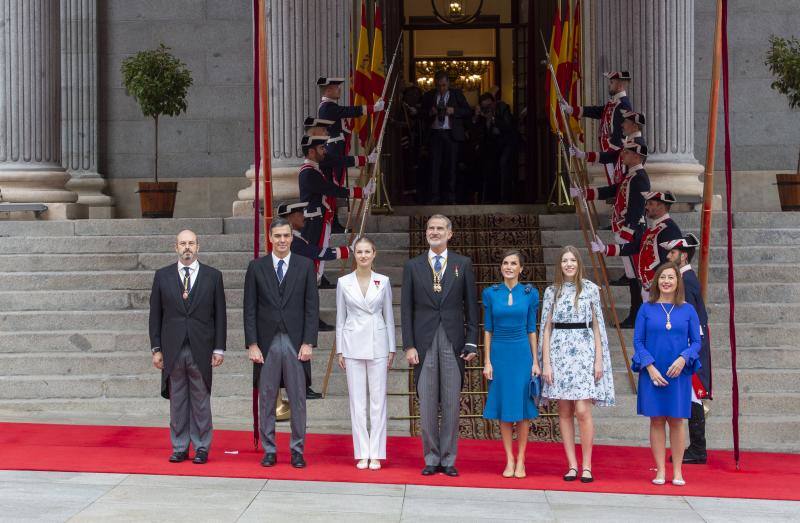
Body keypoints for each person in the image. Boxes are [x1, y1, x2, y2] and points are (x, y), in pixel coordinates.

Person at [401, 214, 479, 477]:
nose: (434, 232)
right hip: (423, 343)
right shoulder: (413, 266)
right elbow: (406, 310)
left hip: (453, 341)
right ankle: (431, 457)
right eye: (430, 228)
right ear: (426, 233)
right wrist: (408, 345)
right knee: (426, 403)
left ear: (450, 233)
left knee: (451, 404)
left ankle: (448, 458)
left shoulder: (462, 264)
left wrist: (471, 341)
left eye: (439, 229)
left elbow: (471, 305)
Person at [244, 218, 319, 469]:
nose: (282, 240)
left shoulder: (306, 265)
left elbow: (312, 307)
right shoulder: (256, 267)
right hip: (266, 344)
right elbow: (249, 309)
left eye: (286, 235)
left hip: (296, 341)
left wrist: (309, 341)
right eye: (277, 236)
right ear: (270, 237)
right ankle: (270, 449)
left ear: (292, 237)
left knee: (298, 398)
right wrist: (252, 344)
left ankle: (297, 450)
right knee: (266, 398)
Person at [148, 229, 227, 464]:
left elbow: (220, 315)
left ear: (198, 247)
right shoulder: (162, 276)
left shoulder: (213, 276)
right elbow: (155, 316)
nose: (187, 247)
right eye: (182, 243)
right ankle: (180, 446)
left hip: (201, 348)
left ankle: (202, 446)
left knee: (201, 400)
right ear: (176, 247)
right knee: (178, 400)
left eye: (191, 243)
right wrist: (156, 348)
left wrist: (219, 348)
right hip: (172, 349)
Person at [539, 246, 615, 483]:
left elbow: (597, 326)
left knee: (582, 410)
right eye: (564, 260)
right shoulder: (553, 291)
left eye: (572, 260)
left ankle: (587, 465)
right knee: (564, 411)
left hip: (584, 353)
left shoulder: (591, 289)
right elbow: (546, 327)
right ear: (559, 265)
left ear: (579, 263)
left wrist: (599, 360)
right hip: (559, 353)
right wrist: (547, 364)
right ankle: (572, 464)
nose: (569, 264)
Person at [632, 262, 702, 486]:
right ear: (657, 281)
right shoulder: (646, 308)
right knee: (656, 420)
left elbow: (697, 342)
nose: (666, 281)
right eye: (663, 277)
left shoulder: (688, 310)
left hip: (678, 372)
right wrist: (649, 367)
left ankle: (678, 471)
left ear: (677, 282)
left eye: (671, 277)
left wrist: (684, 359)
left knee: (677, 420)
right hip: (653, 372)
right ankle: (661, 470)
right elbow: (638, 342)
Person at [277, 199, 350, 398]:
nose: (303, 216)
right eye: (299, 214)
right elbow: (318, 253)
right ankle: (299, 386)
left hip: (300, 295)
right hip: (296, 300)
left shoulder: (298, 238)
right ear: (290, 218)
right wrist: (349, 250)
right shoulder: (293, 241)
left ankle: (300, 385)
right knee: (298, 345)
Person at [335, 236, 396, 470]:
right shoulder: (344, 282)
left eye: (367, 252)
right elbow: (341, 317)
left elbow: (389, 316)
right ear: (354, 254)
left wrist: (392, 347)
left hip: (378, 341)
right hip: (351, 343)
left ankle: (376, 453)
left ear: (374, 254)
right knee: (357, 402)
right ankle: (362, 451)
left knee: (378, 401)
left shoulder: (384, 281)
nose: (363, 256)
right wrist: (340, 349)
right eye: (359, 252)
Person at [580, 137, 651, 327]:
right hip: (624, 230)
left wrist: (625, 237)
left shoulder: (640, 178)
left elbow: (637, 210)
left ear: (637, 156)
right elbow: (614, 190)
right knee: (631, 275)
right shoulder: (630, 176)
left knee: (635, 276)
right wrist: (586, 193)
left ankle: (637, 315)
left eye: (627, 152)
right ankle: (635, 314)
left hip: (632, 234)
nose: (623, 154)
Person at [481, 250, 540, 479]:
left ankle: (522, 459)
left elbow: (531, 328)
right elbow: (488, 329)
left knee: (522, 410)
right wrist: (487, 361)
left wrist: (535, 361)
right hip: (499, 353)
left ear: (521, 268)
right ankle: (509, 459)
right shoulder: (491, 293)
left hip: (522, 353)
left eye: (513, 263)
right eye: (505, 263)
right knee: (505, 409)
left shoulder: (530, 293)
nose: (509, 267)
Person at [298, 134, 374, 285]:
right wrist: (361, 192)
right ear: (312, 152)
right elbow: (331, 189)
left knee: (320, 250)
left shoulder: (314, 170)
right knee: (316, 252)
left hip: (320, 217)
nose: (324, 151)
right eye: (321, 148)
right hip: (315, 219)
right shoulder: (308, 172)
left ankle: (315, 282)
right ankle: (312, 283)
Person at [664, 233, 712, 465]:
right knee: (692, 396)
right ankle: (696, 447)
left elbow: (691, 321)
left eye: (672, 252)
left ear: (683, 256)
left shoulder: (687, 281)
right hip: (690, 346)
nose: (668, 255)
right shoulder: (686, 279)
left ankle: (698, 449)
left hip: (691, 347)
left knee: (694, 395)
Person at [317, 77, 385, 233]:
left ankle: (333, 221)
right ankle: (331, 222)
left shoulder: (331, 106)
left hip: (337, 146)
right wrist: (373, 108)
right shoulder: (327, 107)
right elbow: (349, 111)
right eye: (336, 87)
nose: (339, 89)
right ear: (328, 90)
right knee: (334, 187)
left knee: (337, 186)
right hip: (334, 147)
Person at [592, 190, 683, 303]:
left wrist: (662, 283)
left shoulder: (670, 229)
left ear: (661, 206)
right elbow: (635, 246)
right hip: (649, 286)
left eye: (650, 204)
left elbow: (672, 261)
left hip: (660, 288)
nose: (646, 207)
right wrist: (605, 249)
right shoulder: (653, 228)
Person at [561, 71, 632, 184]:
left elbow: (621, 134)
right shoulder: (613, 102)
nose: (609, 85)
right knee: (613, 183)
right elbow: (597, 111)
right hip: (608, 150)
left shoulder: (624, 105)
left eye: (612, 82)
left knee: (617, 184)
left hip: (614, 152)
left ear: (620, 86)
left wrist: (610, 153)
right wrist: (572, 110)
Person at [421, 71, 471, 204]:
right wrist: (430, 112)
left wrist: (454, 111)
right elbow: (422, 114)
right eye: (439, 86)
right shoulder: (429, 95)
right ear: (435, 85)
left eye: (443, 85)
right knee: (434, 167)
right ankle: (434, 197)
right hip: (435, 133)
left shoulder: (457, 95)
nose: (441, 88)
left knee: (451, 167)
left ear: (448, 83)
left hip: (451, 134)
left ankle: (451, 197)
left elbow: (467, 111)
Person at [473, 92, 518, 203]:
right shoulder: (482, 113)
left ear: (494, 102)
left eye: (489, 106)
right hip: (493, 145)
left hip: (507, 143)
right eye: (484, 107)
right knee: (485, 164)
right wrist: (476, 117)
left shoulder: (502, 107)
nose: (487, 108)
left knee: (503, 163)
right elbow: (478, 132)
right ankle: (488, 199)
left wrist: (493, 119)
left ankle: (504, 199)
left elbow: (508, 127)